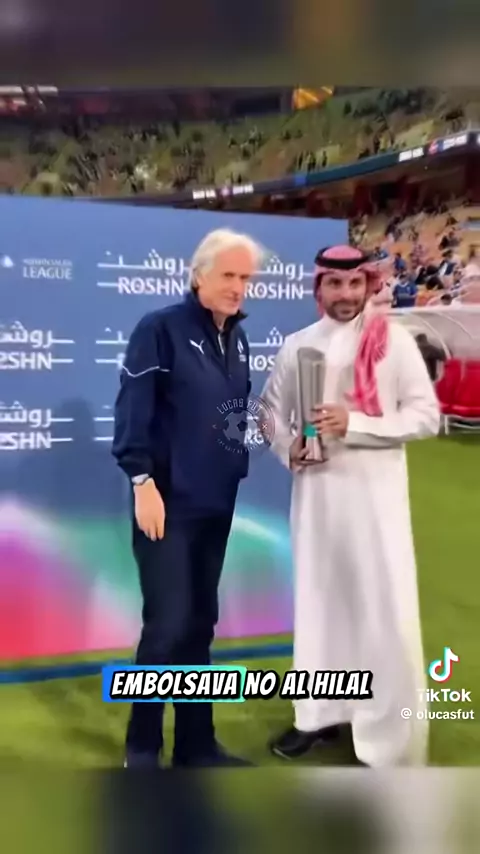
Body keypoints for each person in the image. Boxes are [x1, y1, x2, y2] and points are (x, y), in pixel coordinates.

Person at [261, 245, 440, 768]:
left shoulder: (394, 341)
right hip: (316, 500)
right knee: (319, 606)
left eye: (354, 284)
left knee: (382, 612)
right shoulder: (298, 344)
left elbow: (425, 417)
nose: (345, 294)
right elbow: (270, 413)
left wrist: (354, 423)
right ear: (318, 288)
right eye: (335, 285)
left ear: (368, 285)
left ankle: (387, 737)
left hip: (375, 504)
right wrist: (288, 447)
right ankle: (318, 716)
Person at [112, 228, 264, 768]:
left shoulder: (237, 339)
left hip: (216, 504)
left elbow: (232, 417)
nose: (238, 287)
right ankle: (142, 751)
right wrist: (142, 481)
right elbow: (133, 409)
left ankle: (196, 745)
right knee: (168, 625)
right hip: (167, 504)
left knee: (200, 624)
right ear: (199, 275)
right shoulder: (159, 329)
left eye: (246, 278)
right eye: (228, 275)